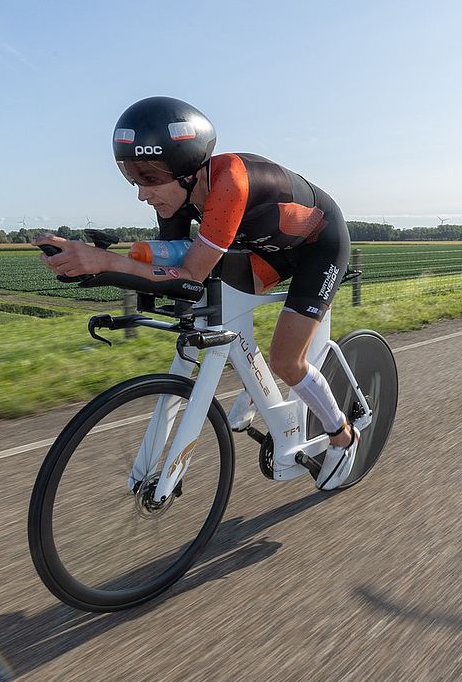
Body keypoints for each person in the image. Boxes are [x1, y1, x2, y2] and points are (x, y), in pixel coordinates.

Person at [35, 96, 358, 489]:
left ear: (189, 171)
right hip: (265, 247)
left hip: (318, 248)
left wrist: (105, 263)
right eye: (132, 176)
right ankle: (264, 391)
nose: (142, 192)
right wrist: (98, 267)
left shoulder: (229, 183)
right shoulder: (173, 198)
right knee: (224, 312)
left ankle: (342, 434)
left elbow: (187, 275)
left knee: (287, 359)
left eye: (150, 176)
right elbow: (167, 271)